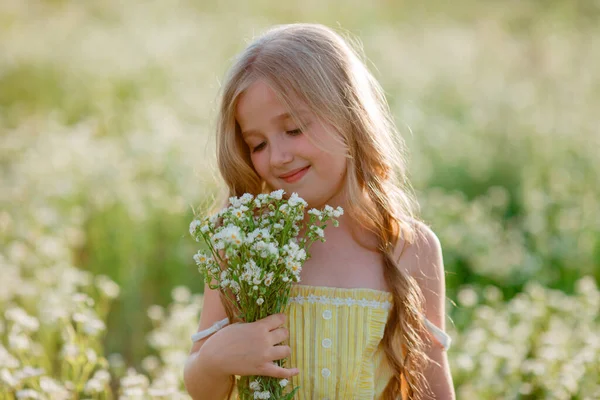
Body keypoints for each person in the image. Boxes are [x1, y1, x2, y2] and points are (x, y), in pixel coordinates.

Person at [184, 23, 455, 400]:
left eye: (293, 129)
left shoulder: (409, 246)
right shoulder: (242, 241)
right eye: (257, 144)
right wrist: (215, 359)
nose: (278, 156)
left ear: (348, 114)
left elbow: (432, 390)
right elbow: (203, 390)